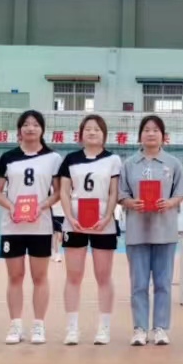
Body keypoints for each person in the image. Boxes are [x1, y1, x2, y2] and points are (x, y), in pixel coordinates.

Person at [0, 110, 62, 346]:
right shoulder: (7, 157)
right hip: (12, 226)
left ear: (42, 129)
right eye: (26, 124)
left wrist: (41, 206)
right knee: (15, 276)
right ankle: (15, 325)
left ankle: (39, 325)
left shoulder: (53, 158)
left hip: (40, 226)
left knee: (39, 276)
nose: (30, 128)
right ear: (19, 129)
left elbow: (58, 192)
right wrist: (12, 207)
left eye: (35, 124)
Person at [118, 115, 183, 347]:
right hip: (137, 231)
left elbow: (180, 193)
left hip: (165, 231)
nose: (150, 133)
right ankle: (139, 328)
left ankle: (160, 328)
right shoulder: (129, 164)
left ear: (163, 136)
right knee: (138, 284)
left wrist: (170, 202)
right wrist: (130, 203)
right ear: (140, 135)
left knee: (163, 283)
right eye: (146, 129)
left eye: (155, 130)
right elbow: (121, 194)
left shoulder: (173, 163)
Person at [58, 114, 121, 346]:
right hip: (75, 222)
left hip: (103, 222)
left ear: (104, 134)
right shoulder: (70, 159)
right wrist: (69, 217)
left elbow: (114, 192)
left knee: (103, 276)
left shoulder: (113, 159)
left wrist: (107, 217)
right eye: (88, 129)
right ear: (81, 133)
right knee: (73, 275)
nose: (92, 132)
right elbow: (64, 191)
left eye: (97, 129)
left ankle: (104, 328)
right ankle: (72, 328)